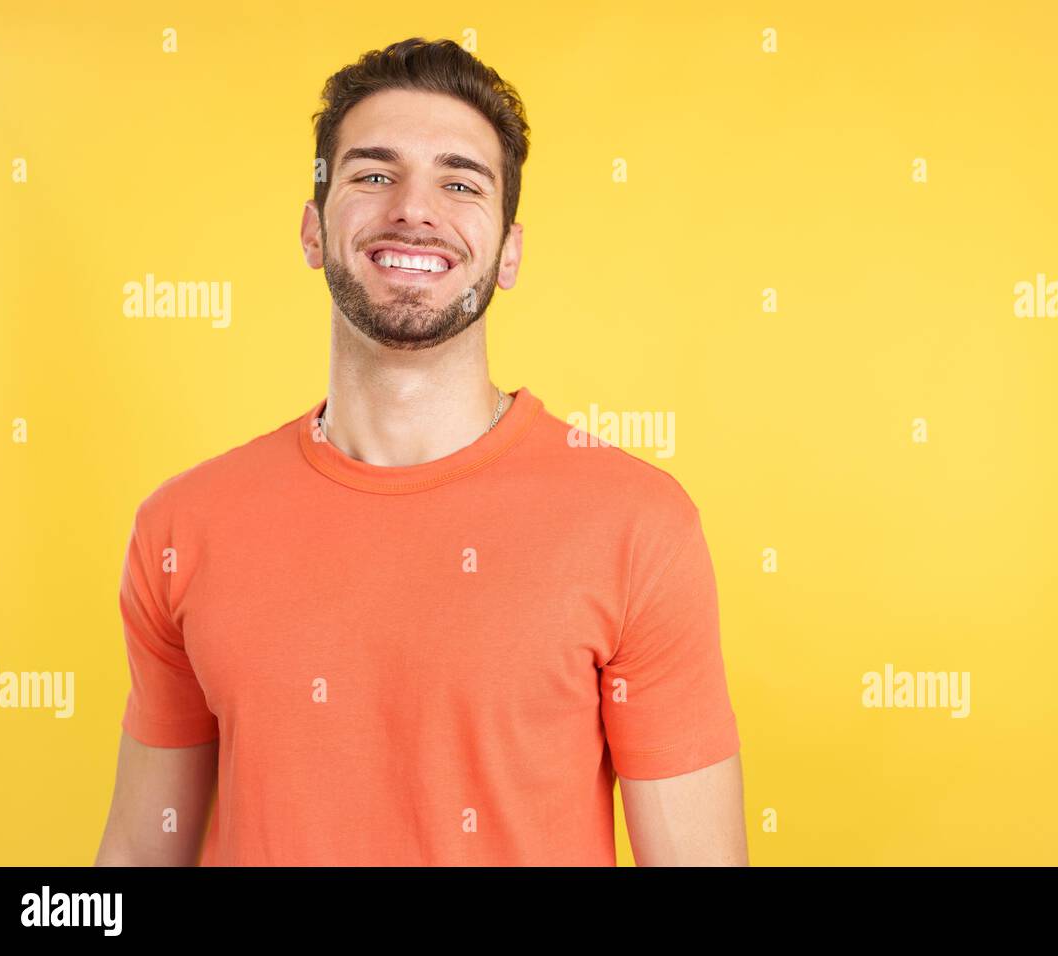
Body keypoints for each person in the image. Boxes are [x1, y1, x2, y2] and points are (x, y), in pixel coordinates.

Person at [96, 37, 745, 866]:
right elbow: (141, 851)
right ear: (311, 229)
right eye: (372, 174)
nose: (414, 208)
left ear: (509, 251)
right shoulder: (181, 525)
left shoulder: (641, 527)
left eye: (460, 183)